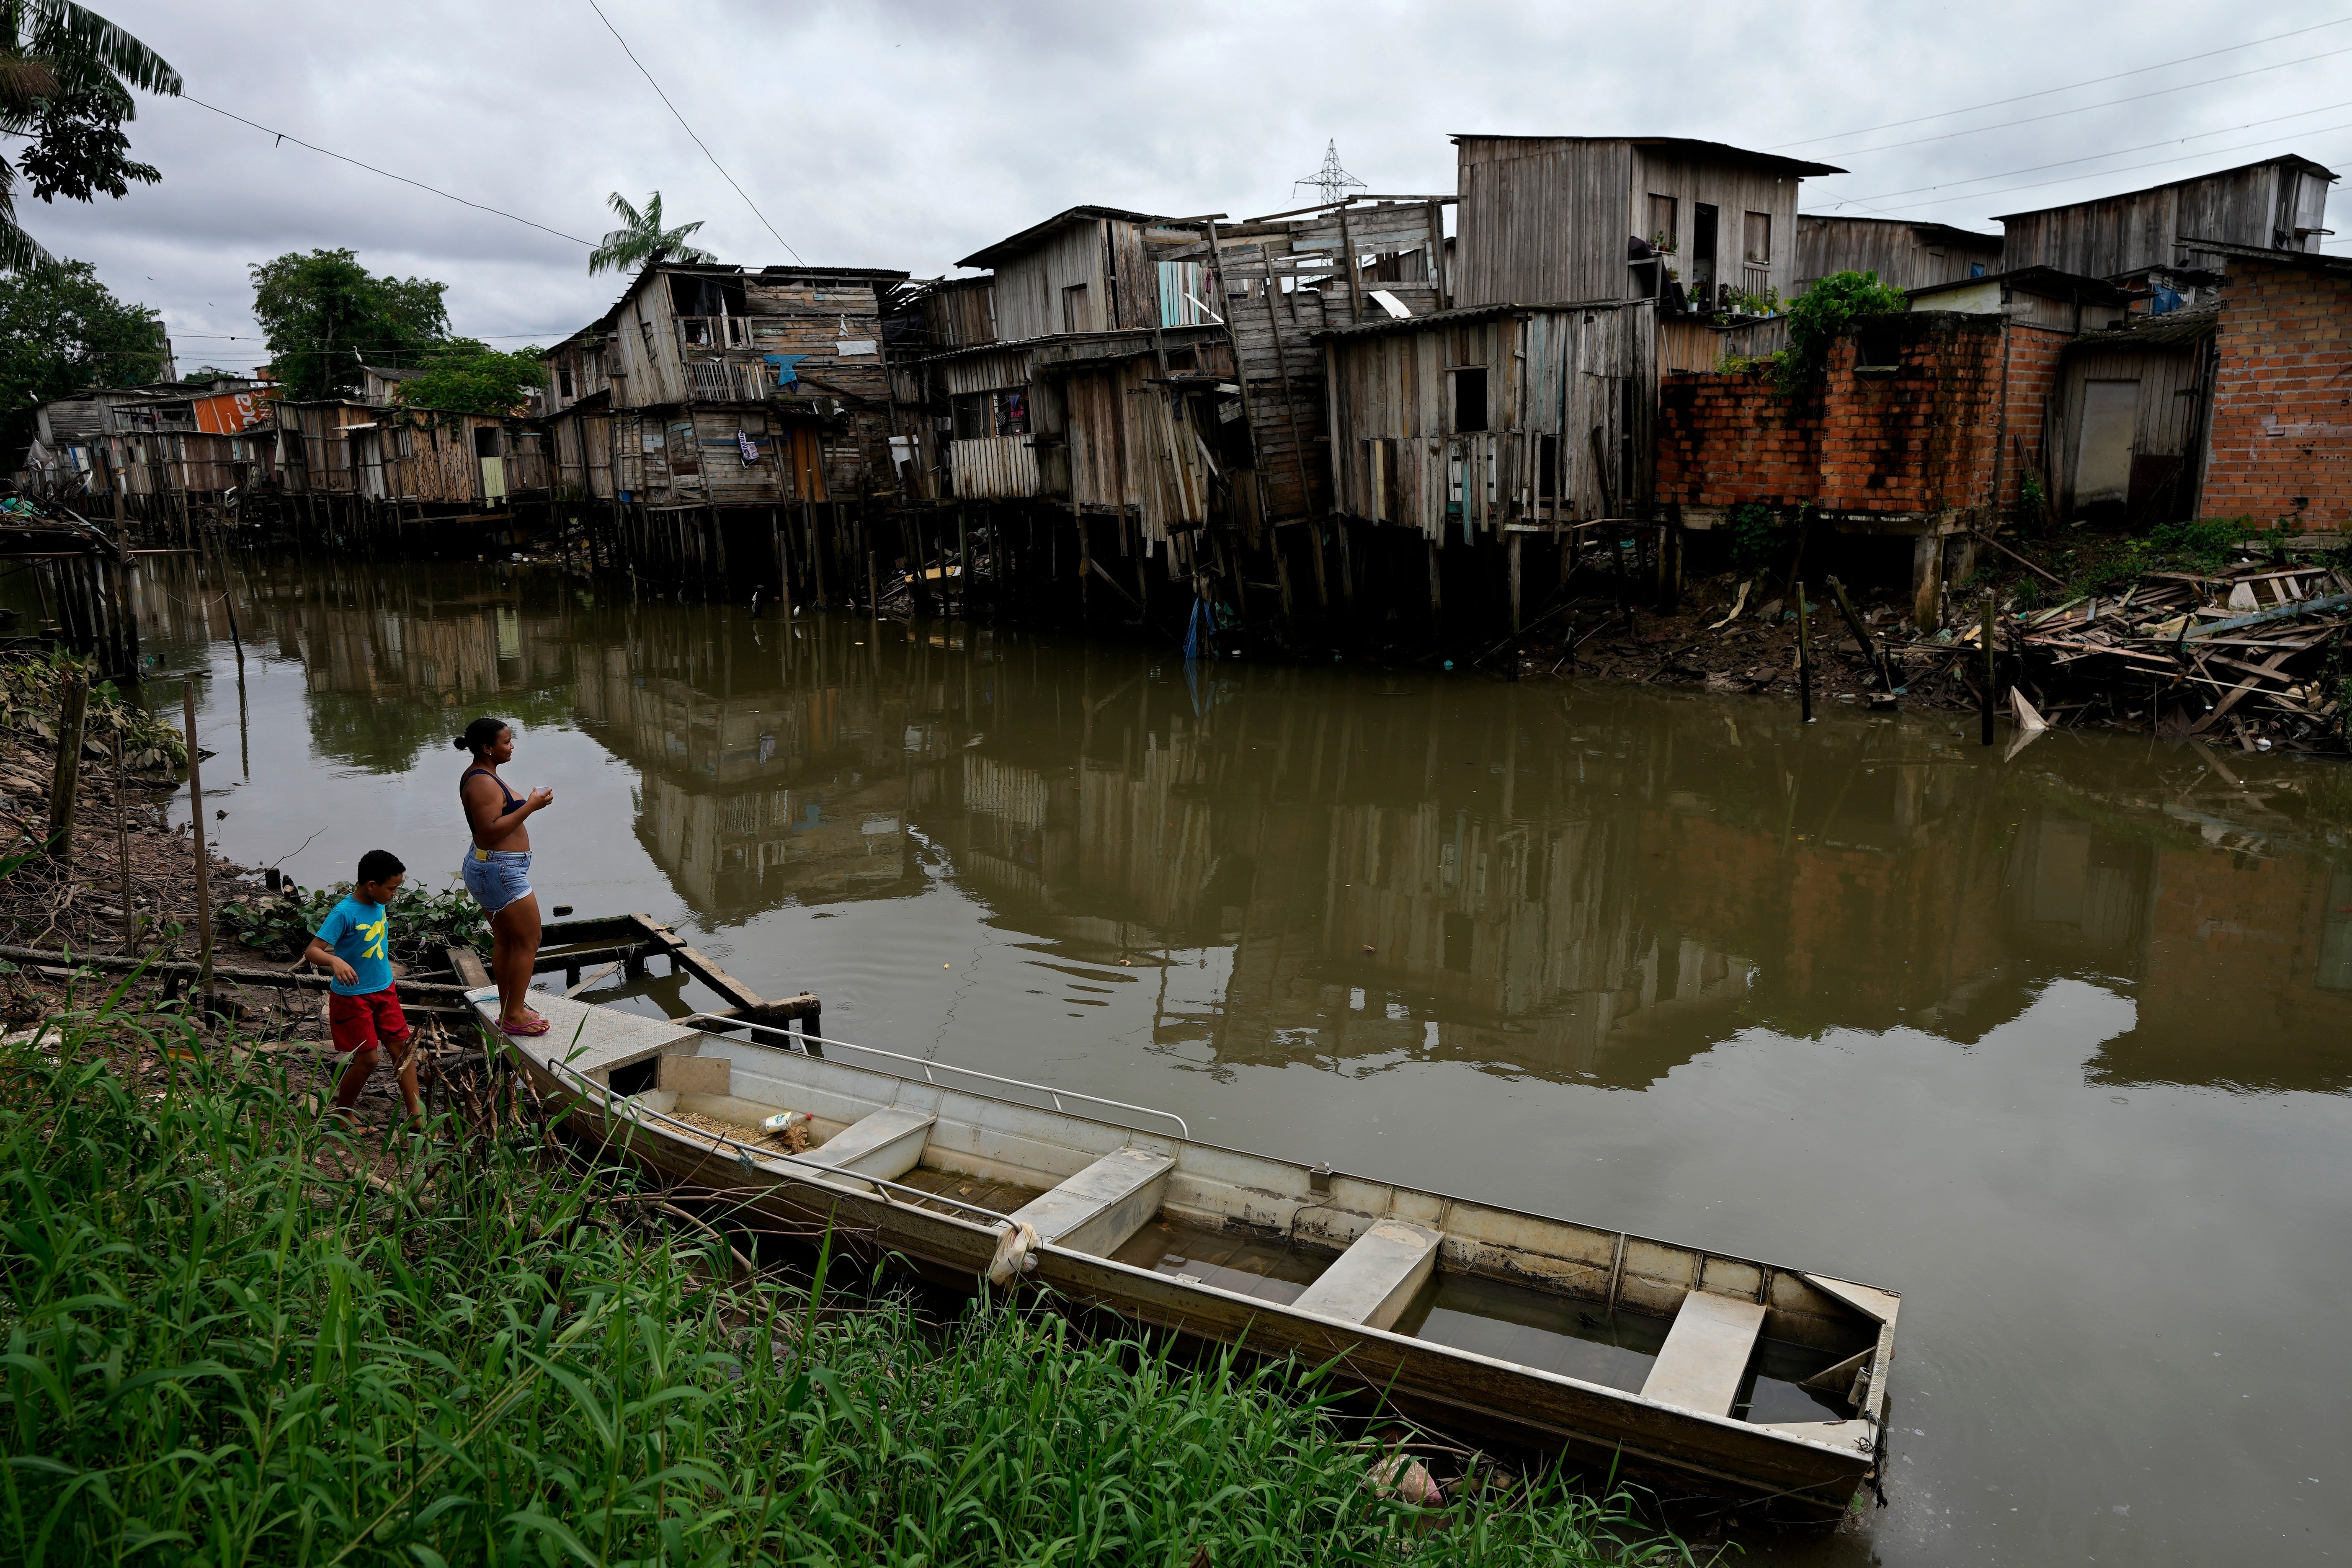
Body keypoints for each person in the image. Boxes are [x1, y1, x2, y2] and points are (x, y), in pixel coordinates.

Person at [304, 849, 422, 1127]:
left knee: (402, 1051)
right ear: (371, 885)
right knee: (368, 1060)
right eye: (392, 888)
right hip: (354, 997)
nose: (395, 894)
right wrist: (334, 961)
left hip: (385, 991)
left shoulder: (378, 902)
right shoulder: (344, 913)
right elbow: (312, 952)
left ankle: (417, 1116)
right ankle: (343, 1111)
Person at [456, 716, 554, 1036]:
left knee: (507, 940)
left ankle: (511, 1007)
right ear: (487, 748)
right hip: (500, 870)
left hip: (494, 868)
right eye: (507, 742)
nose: (512, 747)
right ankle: (513, 1014)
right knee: (529, 940)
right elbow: (488, 833)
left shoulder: (483, 775)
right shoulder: (482, 781)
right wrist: (531, 806)